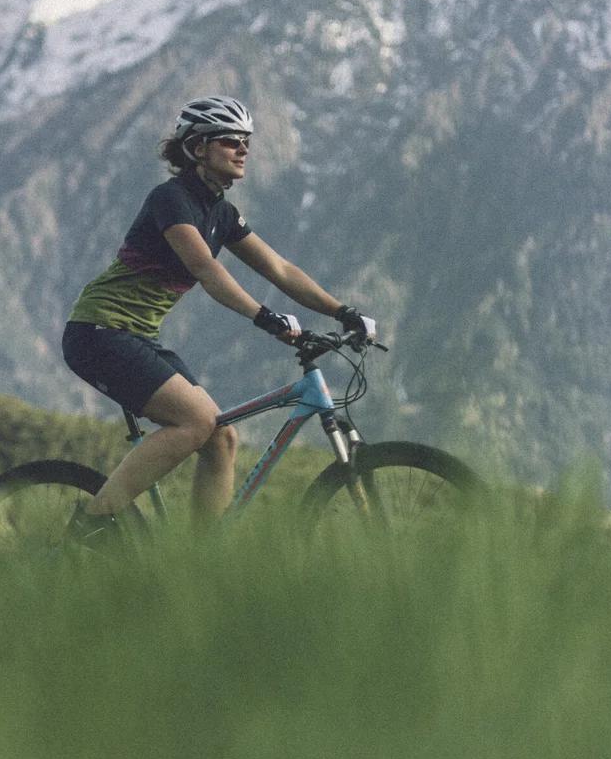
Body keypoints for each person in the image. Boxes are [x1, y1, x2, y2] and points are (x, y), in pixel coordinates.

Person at [60, 95, 376, 542]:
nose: (243, 148)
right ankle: (90, 526)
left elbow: (280, 270)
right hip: (99, 332)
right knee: (195, 421)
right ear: (198, 148)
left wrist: (344, 312)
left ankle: (200, 560)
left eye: (246, 140)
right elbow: (204, 269)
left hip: (139, 336)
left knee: (221, 437)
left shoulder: (222, 214)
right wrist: (264, 317)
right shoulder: (171, 200)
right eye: (230, 140)